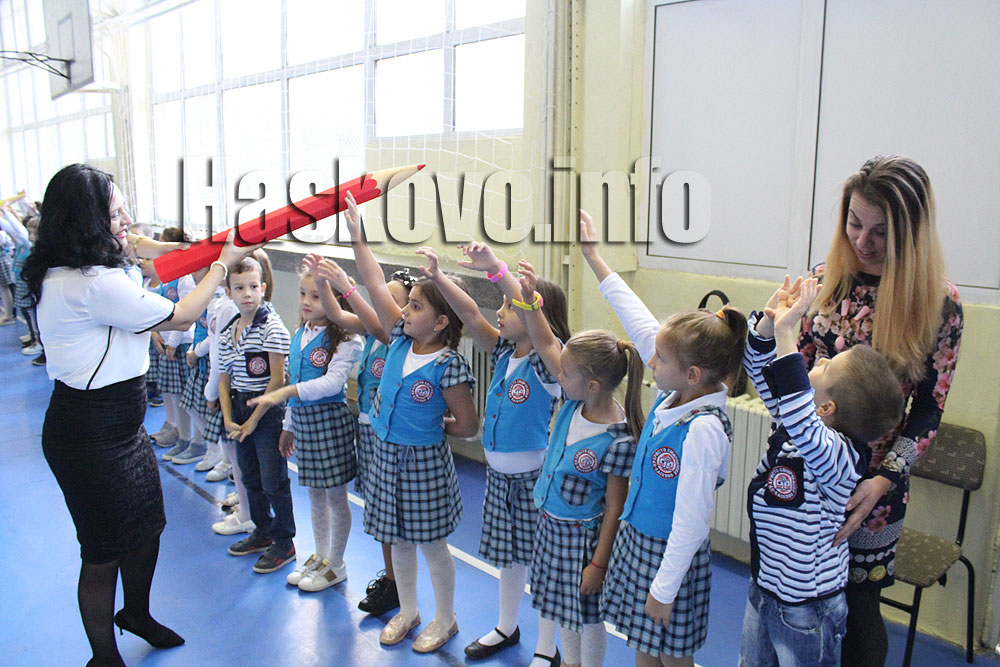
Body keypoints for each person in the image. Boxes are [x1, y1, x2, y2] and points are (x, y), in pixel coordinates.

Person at [21, 163, 260, 666]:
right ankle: (104, 655)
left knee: (148, 524)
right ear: (87, 220)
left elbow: (147, 258)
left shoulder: (82, 268)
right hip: (88, 433)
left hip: (122, 427)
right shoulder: (91, 284)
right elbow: (183, 313)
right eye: (115, 213)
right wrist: (221, 265)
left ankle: (137, 613)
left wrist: (172, 246)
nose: (126, 219)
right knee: (102, 549)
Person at [797, 155, 964, 666]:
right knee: (788, 599)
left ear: (911, 234)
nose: (862, 242)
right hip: (804, 470)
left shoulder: (938, 303)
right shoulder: (826, 280)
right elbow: (794, 374)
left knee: (860, 611)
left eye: (881, 232)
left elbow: (928, 409)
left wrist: (883, 480)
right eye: (854, 223)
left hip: (872, 490)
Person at [576, 210, 745, 667]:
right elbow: (636, 317)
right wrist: (594, 258)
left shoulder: (704, 430)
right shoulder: (678, 390)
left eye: (660, 359)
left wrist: (664, 590)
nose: (650, 359)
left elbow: (691, 521)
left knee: (672, 658)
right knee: (644, 646)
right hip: (640, 542)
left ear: (692, 373)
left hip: (670, 560)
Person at [416, 241, 570, 663]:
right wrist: (438, 277)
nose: (499, 312)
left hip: (533, 482)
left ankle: (546, 648)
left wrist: (499, 269)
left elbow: (537, 326)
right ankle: (506, 625)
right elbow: (469, 313)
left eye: (508, 306)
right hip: (500, 479)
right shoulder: (503, 351)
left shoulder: (547, 365)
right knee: (509, 558)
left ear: (534, 313)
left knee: (543, 566)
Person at [740, 276, 904, 666]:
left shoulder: (839, 457)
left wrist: (788, 333)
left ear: (825, 408)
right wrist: (770, 321)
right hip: (766, 587)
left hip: (807, 608)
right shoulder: (796, 420)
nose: (821, 360)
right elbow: (758, 367)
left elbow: (799, 410)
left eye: (827, 366)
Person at [345, 191, 479, 654]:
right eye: (408, 305)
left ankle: (445, 618)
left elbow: (468, 426)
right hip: (385, 457)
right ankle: (407, 609)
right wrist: (358, 236)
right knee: (397, 540)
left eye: (416, 307)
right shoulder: (398, 340)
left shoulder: (448, 366)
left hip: (423, 464)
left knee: (432, 545)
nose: (404, 311)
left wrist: (433, 428)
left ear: (441, 322)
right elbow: (373, 282)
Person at [516, 256, 644, 667]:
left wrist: (598, 564)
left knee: (587, 620)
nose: (559, 377)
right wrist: (531, 302)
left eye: (565, 374)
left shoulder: (618, 439)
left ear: (591, 384)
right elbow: (546, 343)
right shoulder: (574, 404)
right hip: (551, 530)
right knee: (561, 612)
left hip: (583, 543)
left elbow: (614, 508)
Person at [246, 257, 363, 592]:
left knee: (335, 497)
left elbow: (331, 383)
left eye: (317, 296)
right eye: (303, 294)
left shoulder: (347, 340)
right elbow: (296, 380)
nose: (307, 302)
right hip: (305, 423)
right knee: (314, 495)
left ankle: (336, 562)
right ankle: (320, 556)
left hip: (330, 424)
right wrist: (289, 424)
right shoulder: (300, 333)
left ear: (336, 300)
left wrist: (286, 392)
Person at [307, 257, 413, 616]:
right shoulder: (370, 334)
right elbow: (337, 314)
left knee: (390, 514)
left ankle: (397, 583)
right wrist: (324, 283)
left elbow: (374, 320)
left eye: (392, 300)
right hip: (366, 430)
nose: (383, 304)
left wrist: (348, 285)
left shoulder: (394, 337)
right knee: (379, 511)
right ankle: (391, 578)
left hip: (386, 433)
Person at [217, 255, 295, 574]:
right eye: (239, 288)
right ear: (228, 293)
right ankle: (263, 530)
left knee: (273, 479)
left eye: (252, 287)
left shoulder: (272, 328)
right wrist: (228, 418)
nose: (247, 294)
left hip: (266, 411)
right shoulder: (229, 332)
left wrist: (253, 421)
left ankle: (284, 541)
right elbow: (224, 380)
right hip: (239, 407)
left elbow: (278, 380)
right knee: (249, 475)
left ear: (262, 288)